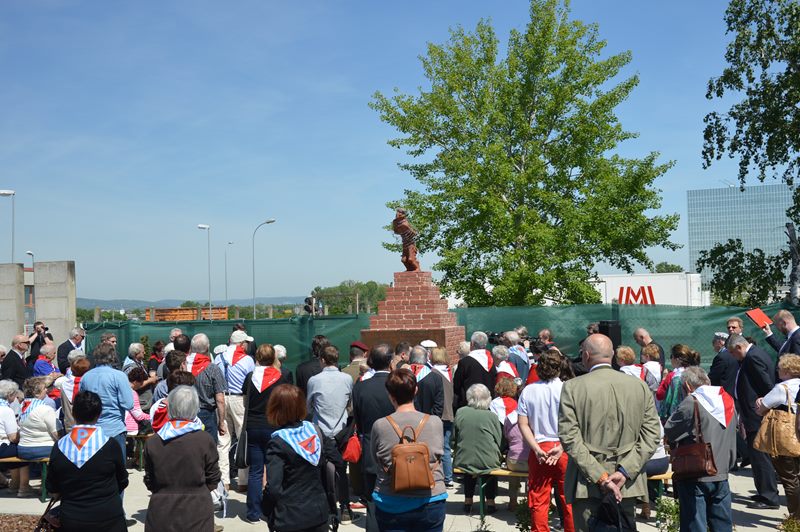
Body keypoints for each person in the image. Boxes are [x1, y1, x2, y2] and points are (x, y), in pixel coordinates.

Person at [558, 333, 660, 529]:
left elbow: (569, 438)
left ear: (586, 355)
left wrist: (601, 476)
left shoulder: (573, 387)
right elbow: (652, 436)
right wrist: (624, 471)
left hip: (587, 483)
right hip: (626, 483)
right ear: (612, 354)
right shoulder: (639, 386)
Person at [370, 369, 446, 530]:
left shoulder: (380, 425)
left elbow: (376, 459)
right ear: (416, 390)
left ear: (390, 394)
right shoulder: (435, 422)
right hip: (431, 498)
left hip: (390, 500)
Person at [665, 367, 737, 532]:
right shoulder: (728, 400)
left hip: (696, 472)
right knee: (722, 525)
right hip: (722, 471)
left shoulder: (692, 402)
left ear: (688, 386)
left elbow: (670, 429)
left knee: (694, 525)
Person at [46, 390, 128, 532]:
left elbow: (52, 487)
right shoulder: (110, 445)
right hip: (109, 517)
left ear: (73, 413)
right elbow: (122, 480)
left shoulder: (59, 447)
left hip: (72, 518)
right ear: (99, 414)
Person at [144, 386, 222, 532]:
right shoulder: (204, 439)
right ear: (195, 408)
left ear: (170, 408)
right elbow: (213, 477)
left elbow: (149, 480)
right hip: (197, 509)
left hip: (161, 509)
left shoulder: (153, 441)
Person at [517, 350, 574, 532]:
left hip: (539, 447)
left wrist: (535, 448)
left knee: (539, 501)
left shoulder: (528, 390)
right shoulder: (568, 388)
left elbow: (523, 424)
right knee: (569, 501)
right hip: (563, 448)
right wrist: (563, 446)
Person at [263, 384, 330, 532]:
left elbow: (274, 488)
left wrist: (266, 509)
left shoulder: (278, 442)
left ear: (275, 409)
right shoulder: (314, 431)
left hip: (290, 518)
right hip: (319, 513)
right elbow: (335, 463)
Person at [726, 333, 780, 509]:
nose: (733, 357)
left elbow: (766, 384)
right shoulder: (752, 355)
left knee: (760, 456)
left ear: (739, 347)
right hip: (753, 414)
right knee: (758, 457)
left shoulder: (753, 357)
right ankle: (764, 491)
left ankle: (769, 497)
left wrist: (763, 403)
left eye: (732, 353)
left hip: (756, 415)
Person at [306, 344, 354, 521]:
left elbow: (308, 406)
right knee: (341, 469)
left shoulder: (314, 380)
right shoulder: (347, 378)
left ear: (323, 360)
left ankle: (327, 507)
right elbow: (350, 404)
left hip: (321, 431)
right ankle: (346, 508)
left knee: (321, 470)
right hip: (342, 431)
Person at [243, 343, 289, 522]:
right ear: (274, 358)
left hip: (253, 426)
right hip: (274, 426)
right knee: (274, 470)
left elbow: (246, 401)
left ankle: (253, 512)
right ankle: (273, 509)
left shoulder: (250, 377)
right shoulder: (282, 376)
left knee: (255, 471)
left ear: (257, 358)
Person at [352, 343, 396, 531]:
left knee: (372, 500)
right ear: (390, 362)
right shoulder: (397, 384)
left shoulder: (361, 387)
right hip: (396, 448)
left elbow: (359, 421)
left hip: (371, 447)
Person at [755, 353, 800, 518]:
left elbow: (762, 408)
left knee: (790, 480)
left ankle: (795, 518)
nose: (778, 370)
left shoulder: (782, 388)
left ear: (787, 371)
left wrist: (760, 402)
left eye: (780, 368)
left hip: (786, 438)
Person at [214, 329, 256, 492]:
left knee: (223, 440)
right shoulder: (247, 360)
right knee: (242, 439)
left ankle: (224, 480)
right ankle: (243, 481)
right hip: (240, 399)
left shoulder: (218, 357)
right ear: (241, 343)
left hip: (222, 398)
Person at [79, 343, 134, 464]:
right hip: (114, 428)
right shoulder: (119, 376)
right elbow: (129, 404)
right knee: (118, 472)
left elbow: (81, 402)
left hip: (91, 429)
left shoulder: (86, 377)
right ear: (113, 356)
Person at [454, 383, 502, 514]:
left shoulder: (460, 412)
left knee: (469, 463)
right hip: (488, 459)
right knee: (488, 464)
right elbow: (499, 438)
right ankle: (490, 501)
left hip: (464, 457)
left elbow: (455, 435)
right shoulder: (492, 416)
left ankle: (468, 500)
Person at [17, 376, 59, 497]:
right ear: (37, 392)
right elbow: (55, 433)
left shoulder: (22, 407)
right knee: (62, 451)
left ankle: (25, 488)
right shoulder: (45, 409)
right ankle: (51, 488)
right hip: (43, 448)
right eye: (44, 388)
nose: (46, 390)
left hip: (23, 448)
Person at [186, 333, 227, 443]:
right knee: (208, 449)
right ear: (208, 347)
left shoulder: (183, 365)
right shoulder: (213, 368)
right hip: (207, 414)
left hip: (185, 413)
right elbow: (220, 399)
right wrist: (221, 422)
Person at [429, 347, 455, 488]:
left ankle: (445, 477)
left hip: (438, 414)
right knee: (446, 447)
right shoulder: (449, 372)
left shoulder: (433, 373)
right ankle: (449, 477)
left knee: (439, 447)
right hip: (449, 413)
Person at [453, 332, 497, 411]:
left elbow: (457, 385)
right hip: (488, 404)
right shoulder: (492, 361)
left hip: (469, 405)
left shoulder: (465, 362)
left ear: (472, 344)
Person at [657, 344, 701, 420]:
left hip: (679, 417)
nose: (670, 359)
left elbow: (661, 396)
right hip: (695, 415)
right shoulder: (697, 374)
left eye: (671, 356)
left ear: (677, 359)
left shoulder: (675, 377)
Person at [55, 354, 90, 431]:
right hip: (87, 425)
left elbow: (64, 406)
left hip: (70, 425)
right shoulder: (88, 384)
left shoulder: (63, 384)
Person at [409, 345, 444, 417]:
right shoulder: (436, 378)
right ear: (426, 359)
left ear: (410, 358)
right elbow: (439, 406)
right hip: (430, 423)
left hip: (407, 423)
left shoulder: (401, 377)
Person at [123, 342, 157, 410]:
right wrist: (150, 380)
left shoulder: (139, 363)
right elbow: (133, 386)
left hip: (145, 403)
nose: (144, 353)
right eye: (142, 351)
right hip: (141, 406)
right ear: (136, 353)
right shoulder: (131, 368)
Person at [0, 380, 20, 491]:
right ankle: (20, 485)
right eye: (15, 393)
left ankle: (5, 481)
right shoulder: (6, 410)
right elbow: (13, 437)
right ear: (9, 395)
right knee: (23, 450)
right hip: (1, 446)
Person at [124, 367, 151, 436]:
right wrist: (152, 416)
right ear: (135, 382)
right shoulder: (132, 393)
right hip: (131, 429)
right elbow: (138, 415)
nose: (141, 385)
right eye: (141, 383)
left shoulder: (121, 391)